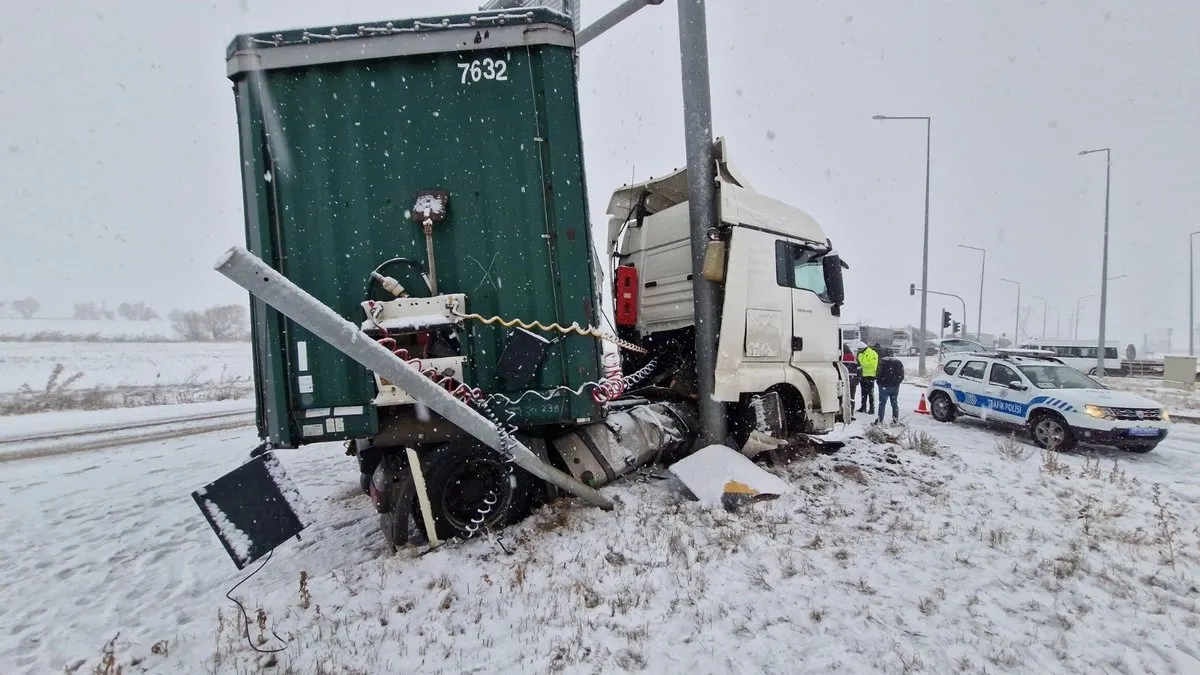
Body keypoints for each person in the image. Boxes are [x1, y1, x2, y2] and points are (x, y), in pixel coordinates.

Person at [875, 347, 906, 424]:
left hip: (884, 386)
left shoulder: (882, 362)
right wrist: (896, 382)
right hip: (895, 386)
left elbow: (878, 374)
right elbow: (901, 375)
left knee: (882, 404)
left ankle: (880, 420)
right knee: (894, 403)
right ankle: (895, 420)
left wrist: (880, 383)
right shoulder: (898, 362)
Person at [857, 342, 879, 415]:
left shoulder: (872, 353)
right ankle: (863, 407)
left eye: (860, 349)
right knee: (863, 392)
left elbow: (872, 363)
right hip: (863, 375)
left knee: (870, 393)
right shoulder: (861, 354)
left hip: (870, 375)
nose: (859, 351)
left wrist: (862, 365)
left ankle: (872, 408)